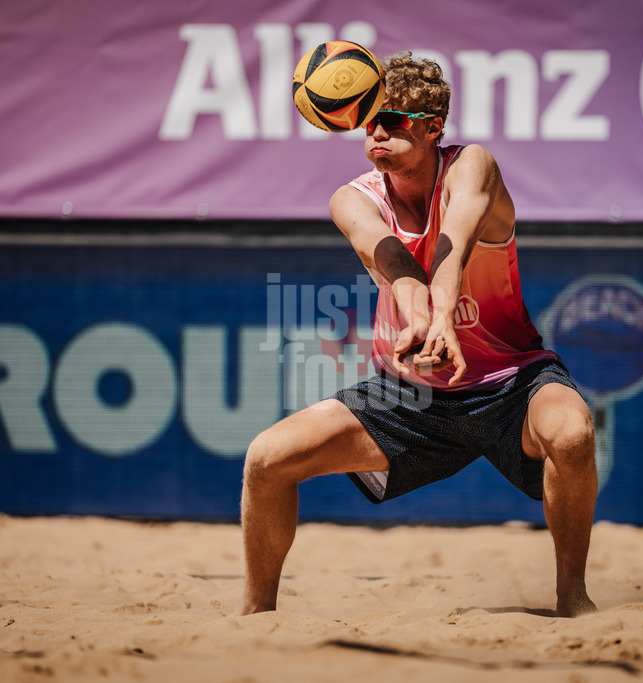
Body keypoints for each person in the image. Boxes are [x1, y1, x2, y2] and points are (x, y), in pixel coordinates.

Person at [233, 52, 598, 618]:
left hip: (511, 381)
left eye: (395, 120)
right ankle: (256, 616)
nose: (377, 131)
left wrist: (444, 314)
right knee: (265, 459)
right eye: (369, 119)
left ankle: (572, 594)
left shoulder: (472, 165)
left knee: (572, 436)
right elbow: (399, 269)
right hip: (411, 392)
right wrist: (425, 321)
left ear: (432, 127)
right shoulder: (352, 198)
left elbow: (454, 243)